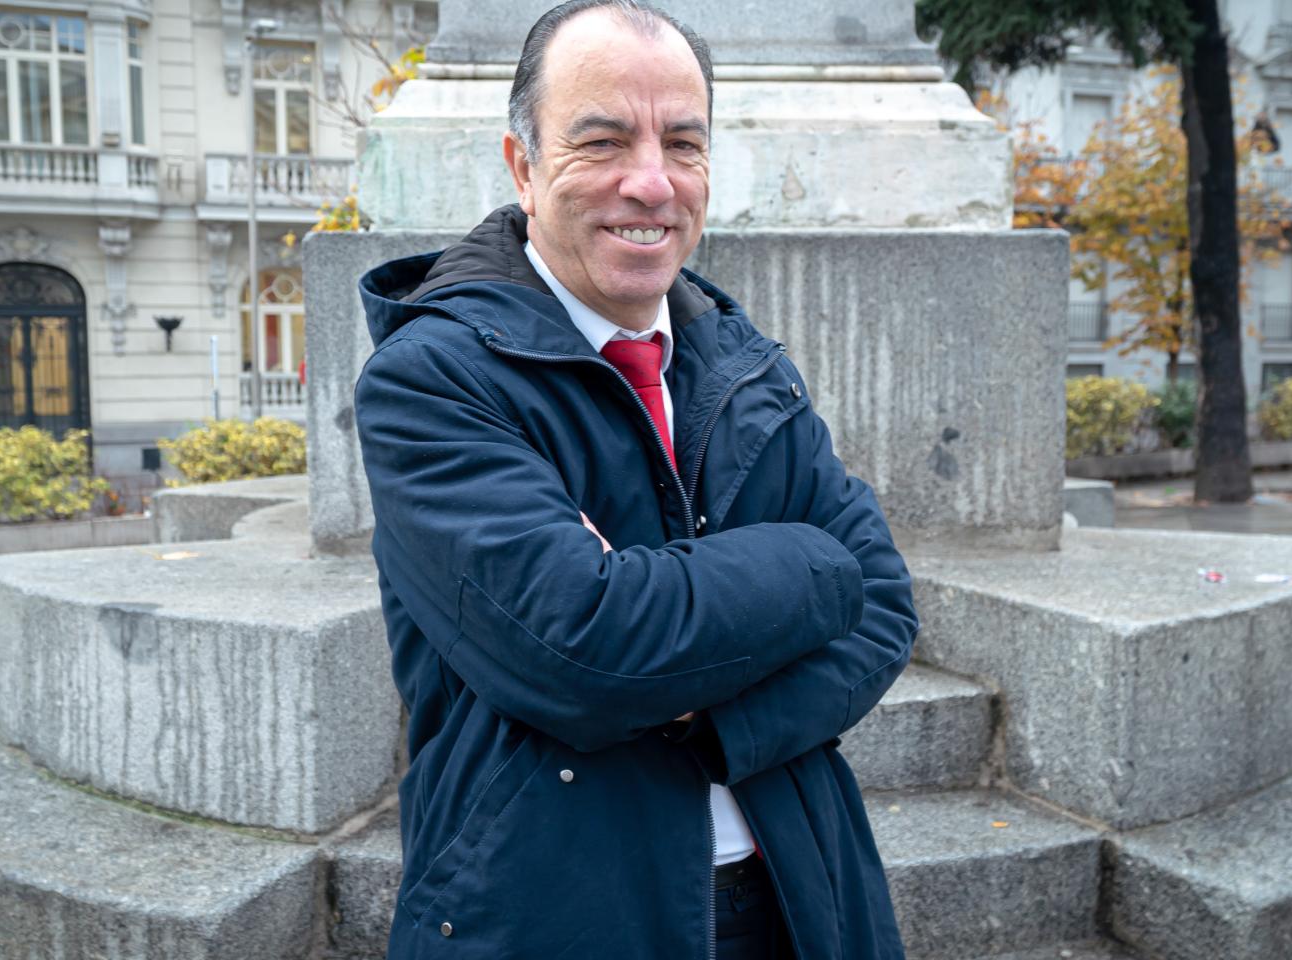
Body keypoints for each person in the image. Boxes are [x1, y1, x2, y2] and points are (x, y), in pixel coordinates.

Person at [353, 1, 918, 956]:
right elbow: (584, 649)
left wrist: (703, 714)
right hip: (559, 908)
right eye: (604, 140)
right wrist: (813, 568)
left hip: (798, 894)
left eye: (683, 144)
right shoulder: (431, 378)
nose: (651, 182)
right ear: (523, 166)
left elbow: (888, 611)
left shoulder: (742, 362)